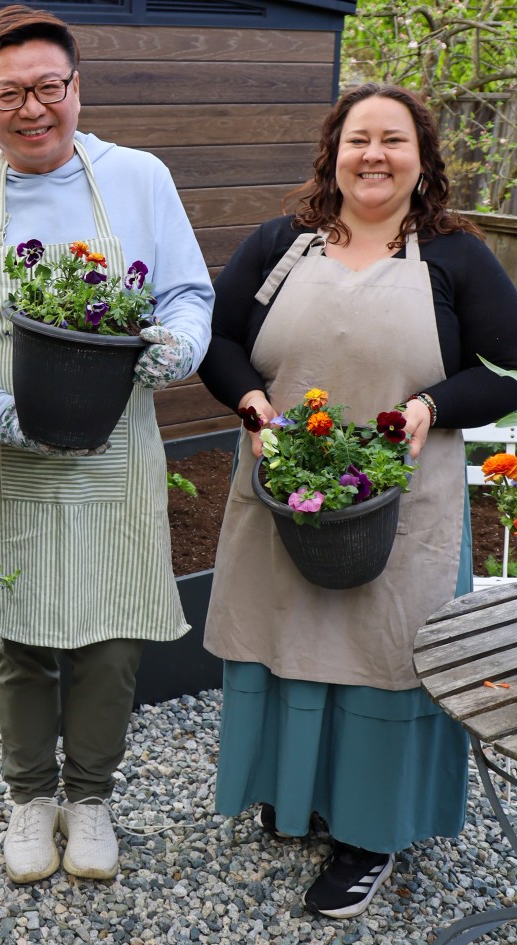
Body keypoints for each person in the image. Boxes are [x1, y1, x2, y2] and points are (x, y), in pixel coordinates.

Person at [197, 83, 517, 919]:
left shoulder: (455, 255)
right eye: (358, 139)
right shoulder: (281, 242)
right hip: (282, 488)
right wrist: (251, 405)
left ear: (422, 158)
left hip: (406, 505)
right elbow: (221, 341)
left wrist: (431, 406)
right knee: (283, 640)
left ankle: (371, 832)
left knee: (384, 659)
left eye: (394, 141)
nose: (373, 155)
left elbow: (509, 366)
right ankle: (292, 794)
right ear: (333, 152)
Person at [0, 5, 214, 884]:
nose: (32, 108)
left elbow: (189, 292)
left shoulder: (139, 180)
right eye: (10, 93)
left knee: (113, 636)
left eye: (49, 86)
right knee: (23, 639)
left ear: (78, 88)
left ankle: (90, 797)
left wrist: (179, 345)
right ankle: (28, 798)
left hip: (118, 453)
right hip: (13, 460)